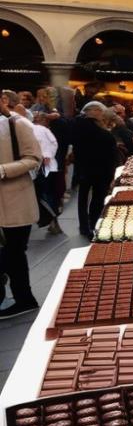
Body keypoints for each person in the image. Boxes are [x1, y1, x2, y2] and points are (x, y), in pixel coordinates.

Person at [0, 90, 42, 319]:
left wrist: (4, 170)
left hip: (15, 200)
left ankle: (25, 300)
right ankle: (19, 298)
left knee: (14, 252)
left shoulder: (18, 125)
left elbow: (34, 158)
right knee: (11, 254)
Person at [72, 101, 119, 239]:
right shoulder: (103, 133)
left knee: (83, 198)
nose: (102, 114)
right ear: (93, 111)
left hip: (83, 168)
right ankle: (94, 224)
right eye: (100, 111)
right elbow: (110, 154)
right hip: (100, 170)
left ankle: (83, 226)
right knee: (98, 198)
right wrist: (112, 174)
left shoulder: (78, 126)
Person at [31, 111, 62, 234]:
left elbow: (53, 143)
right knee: (48, 194)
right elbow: (54, 143)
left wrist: (46, 155)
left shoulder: (39, 129)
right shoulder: (42, 130)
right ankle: (53, 221)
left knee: (45, 195)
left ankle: (52, 220)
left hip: (43, 167)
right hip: (45, 166)